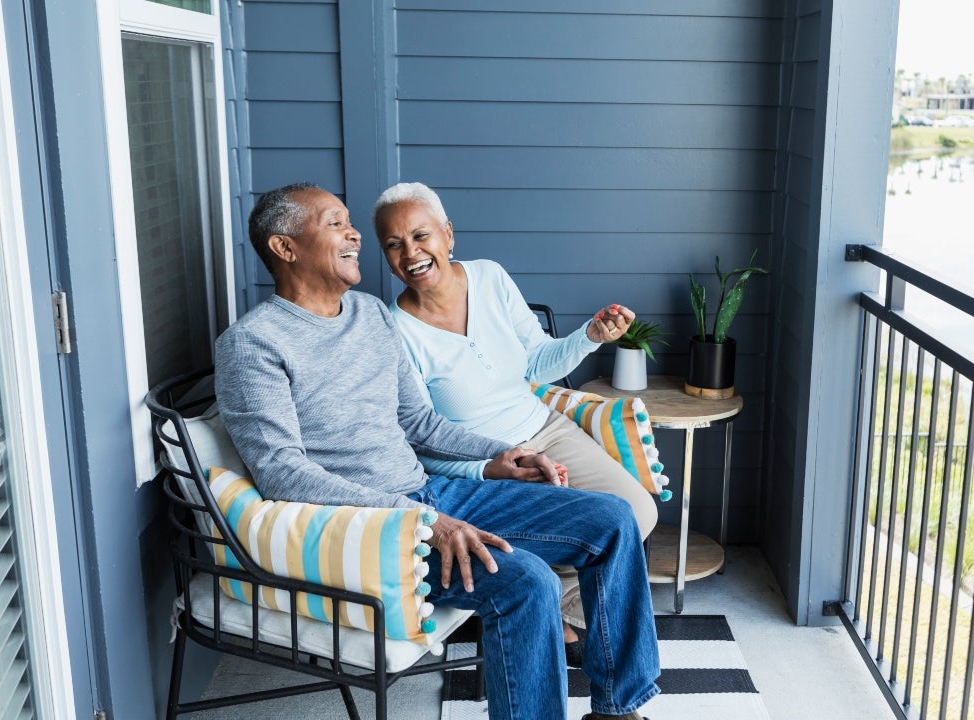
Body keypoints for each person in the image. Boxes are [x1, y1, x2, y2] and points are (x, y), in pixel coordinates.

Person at [214, 182, 659, 720]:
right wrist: (423, 519)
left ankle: (619, 709)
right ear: (285, 248)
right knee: (527, 582)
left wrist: (506, 452)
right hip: (371, 529)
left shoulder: (370, 315)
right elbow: (283, 474)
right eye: (335, 223)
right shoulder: (254, 343)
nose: (355, 233)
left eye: (350, 222)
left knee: (613, 519)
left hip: (430, 495)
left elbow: (419, 423)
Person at [371, 182, 659, 652]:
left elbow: (537, 364)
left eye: (421, 236)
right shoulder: (395, 329)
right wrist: (490, 465)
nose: (411, 253)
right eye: (394, 244)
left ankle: (557, 606)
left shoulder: (489, 277)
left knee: (637, 512)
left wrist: (588, 336)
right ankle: (545, 609)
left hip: (542, 428)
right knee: (574, 535)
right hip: (482, 469)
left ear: (448, 234)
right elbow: (419, 440)